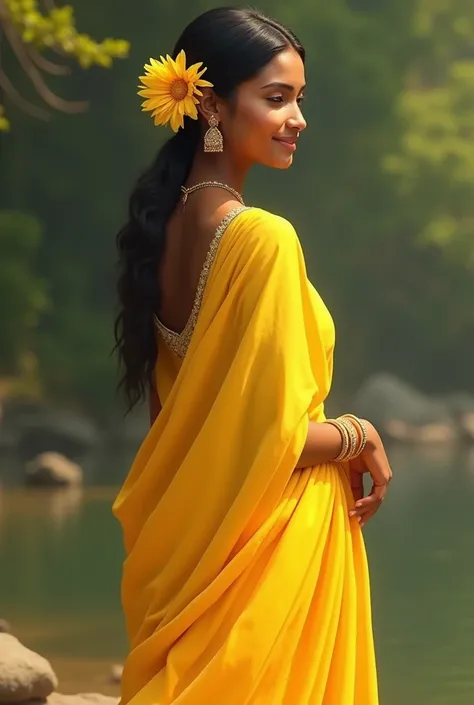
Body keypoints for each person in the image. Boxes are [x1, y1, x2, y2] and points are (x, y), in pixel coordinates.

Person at [113, 7, 392, 705]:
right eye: (276, 98)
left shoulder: (163, 228)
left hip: (199, 548)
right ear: (209, 103)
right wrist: (360, 434)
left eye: (299, 98)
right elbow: (273, 437)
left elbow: (176, 424)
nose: (297, 117)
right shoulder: (260, 238)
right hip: (267, 549)